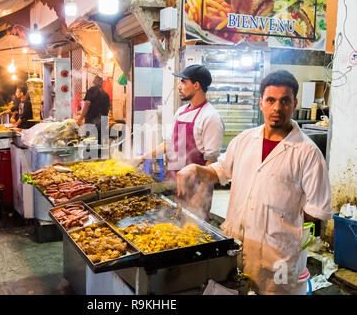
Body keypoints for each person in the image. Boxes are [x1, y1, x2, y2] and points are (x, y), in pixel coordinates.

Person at [176, 70, 332, 294]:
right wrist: (197, 169)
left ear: (294, 103)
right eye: (270, 100)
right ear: (261, 103)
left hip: (278, 258)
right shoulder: (244, 140)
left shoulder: (308, 154)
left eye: (285, 101)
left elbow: (315, 213)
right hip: (237, 247)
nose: (277, 108)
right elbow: (221, 170)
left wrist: (282, 225)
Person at [136, 64, 224, 221]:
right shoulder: (181, 112)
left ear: (196, 85)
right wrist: (143, 158)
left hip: (195, 190)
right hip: (174, 184)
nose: (179, 86)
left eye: (183, 82)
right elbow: (169, 144)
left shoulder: (211, 117)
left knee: (192, 236)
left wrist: (200, 195)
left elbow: (211, 163)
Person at [77, 75, 111, 144]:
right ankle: (98, 154)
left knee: (90, 141)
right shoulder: (106, 95)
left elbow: (87, 104)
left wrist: (80, 119)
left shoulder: (92, 90)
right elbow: (108, 108)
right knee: (99, 142)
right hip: (103, 122)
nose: (93, 82)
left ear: (96, 82)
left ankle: (91, 154)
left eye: (94, 81)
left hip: (92, 121)